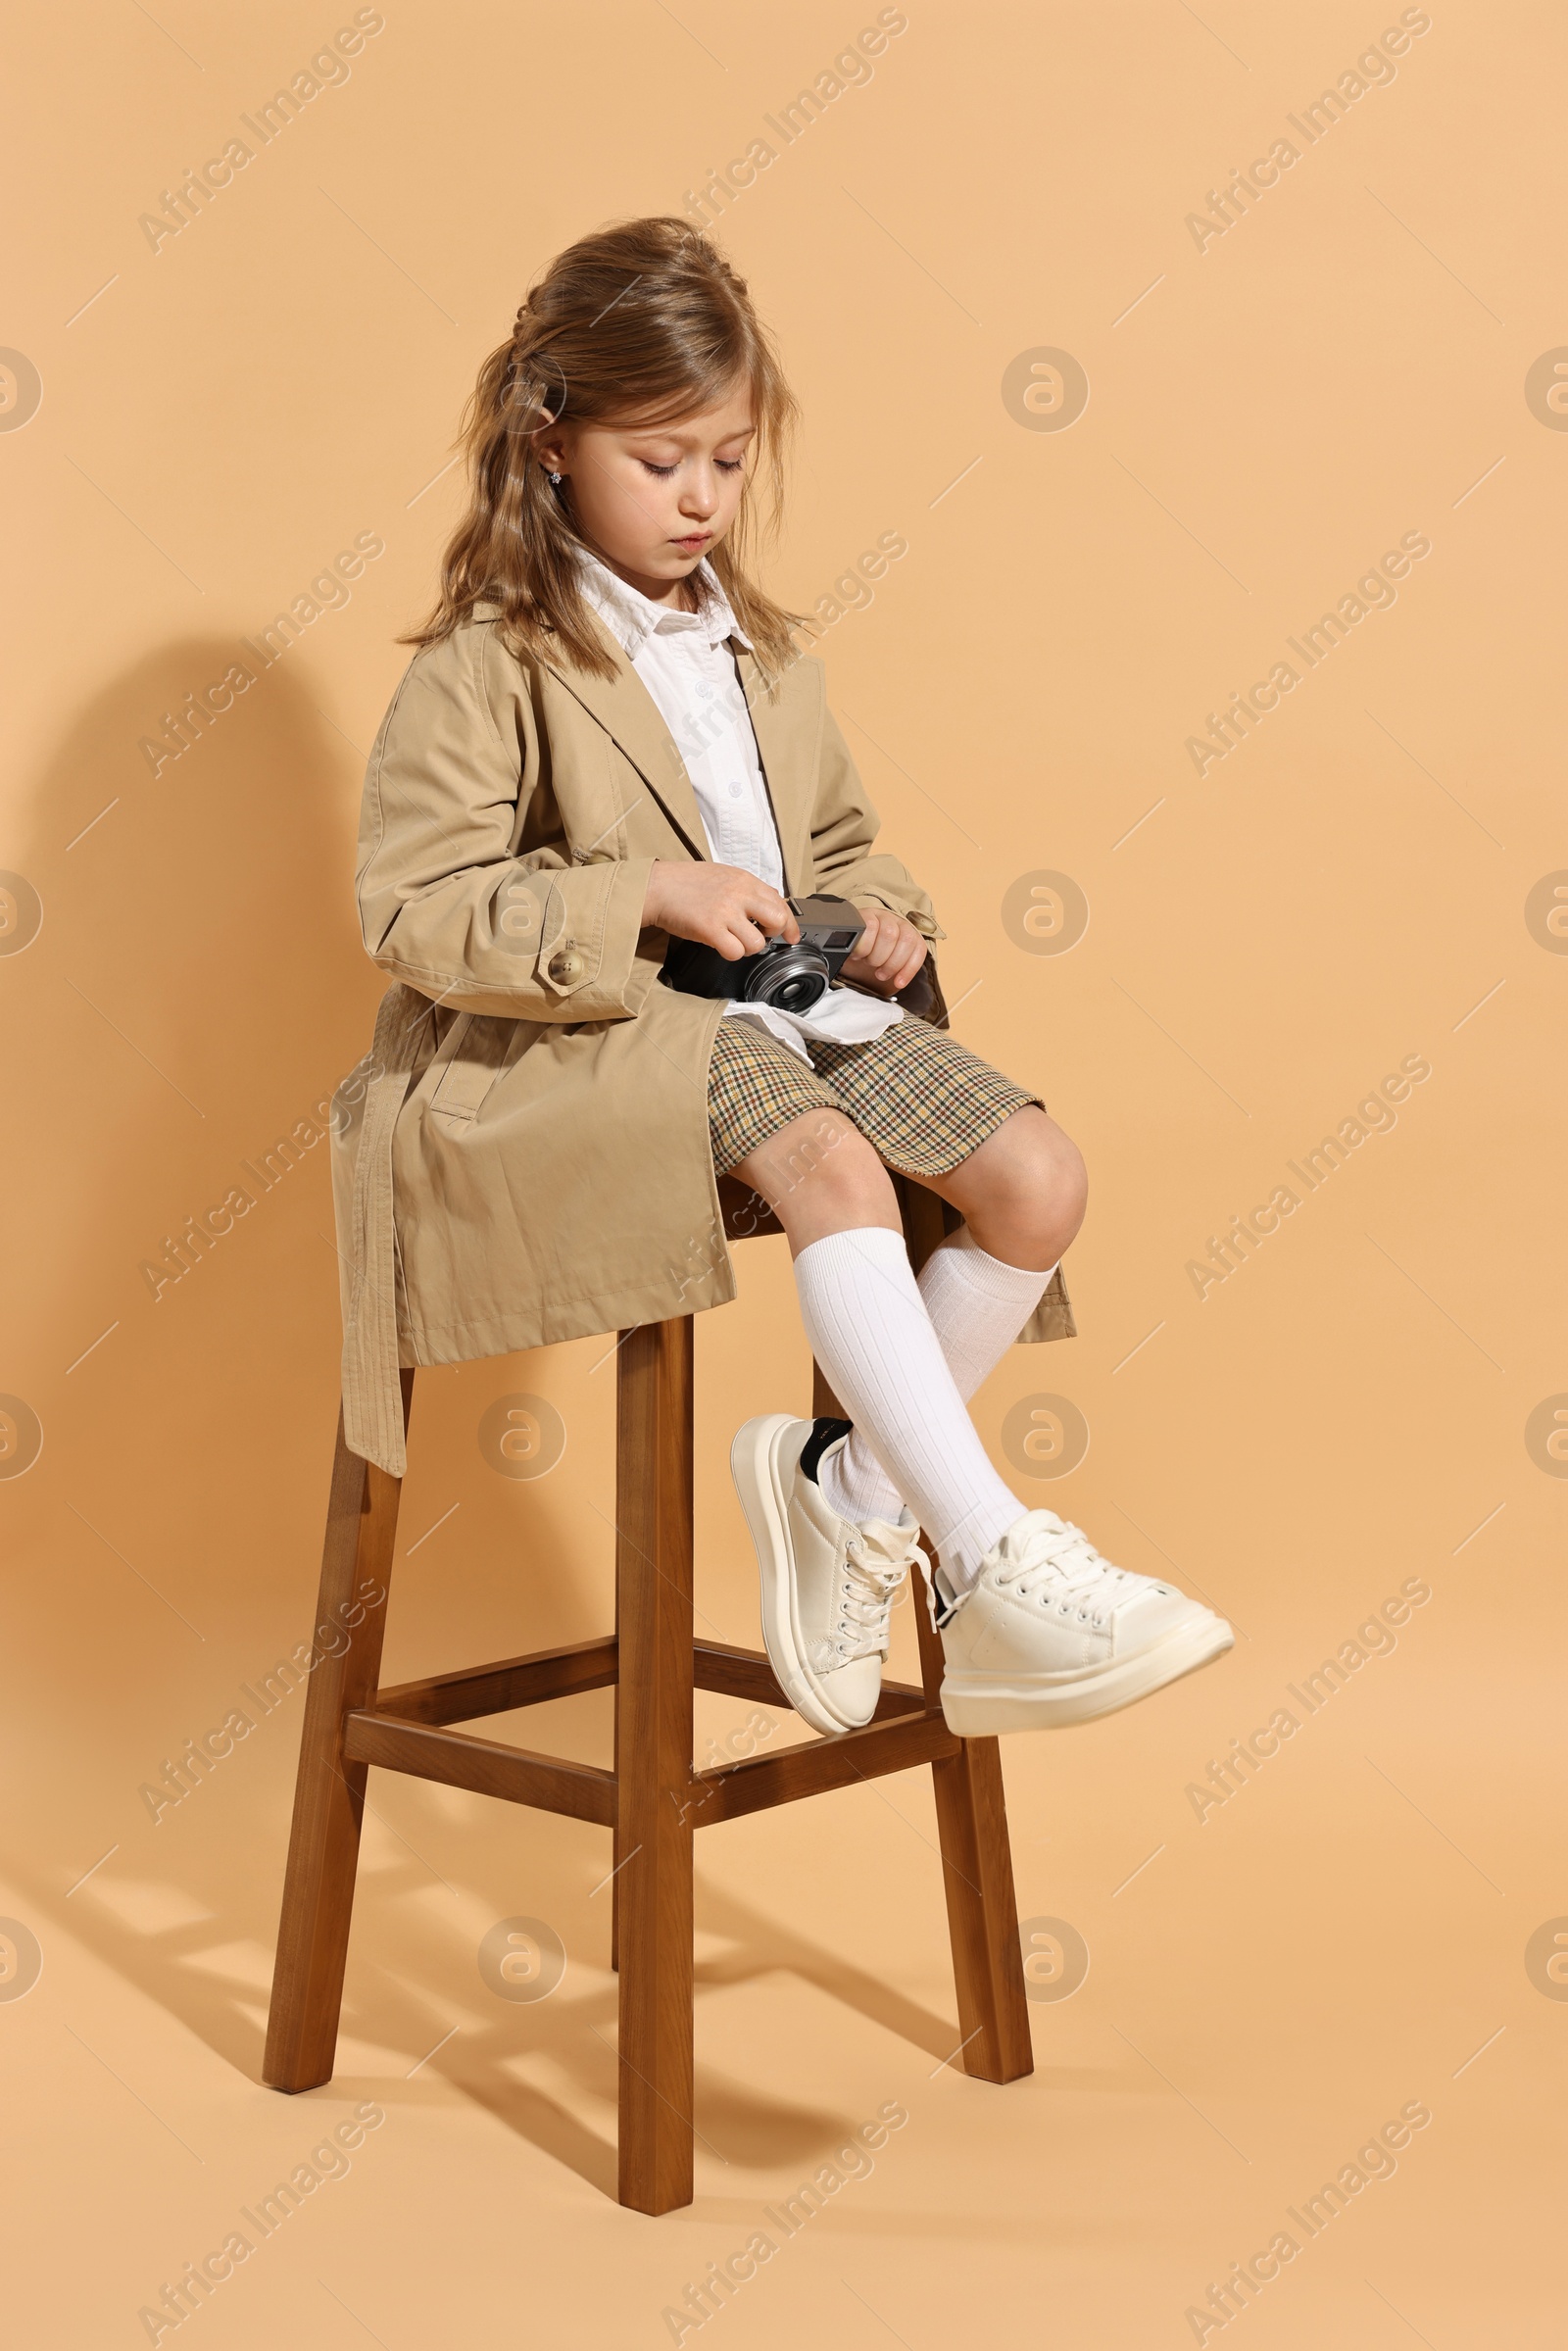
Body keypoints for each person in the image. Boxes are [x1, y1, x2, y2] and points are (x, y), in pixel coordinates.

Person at [331, 216, 1232, 1745]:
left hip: (791, 1007)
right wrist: (642, 895)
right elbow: (411, 908)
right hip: (608, 1039)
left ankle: (850, 1489)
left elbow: (850, 847)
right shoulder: (492, 658)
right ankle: (992, 1552)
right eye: (662, 458)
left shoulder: (771, 655)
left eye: (730, 462)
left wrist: (877, 916)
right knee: (833, 1167)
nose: (701, 499)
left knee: (1035, 1176)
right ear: (552, 443)